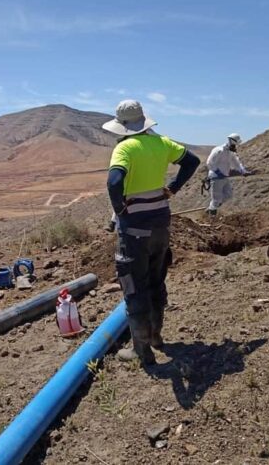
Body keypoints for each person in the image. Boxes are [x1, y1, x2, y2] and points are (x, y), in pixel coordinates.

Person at [103, 100, 200, 364]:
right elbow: (192, 161)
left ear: (122, 126)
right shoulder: (163, 143)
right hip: (161, 224)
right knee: (156, 281)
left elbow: (114, 182)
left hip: (134, 229)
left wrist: (120, 208)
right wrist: (174, 187)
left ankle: (141, 350)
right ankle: (156, 337)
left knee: (134, 287)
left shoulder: (125, 148)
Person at [205, 133, 251, 216]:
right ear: (231, 141)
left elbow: (236, 162)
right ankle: (211, 217)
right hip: (216, 177)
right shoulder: (219, 150)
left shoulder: (230, 152)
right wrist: (217, 172)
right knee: (216, 199)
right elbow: (209, 163)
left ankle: (211, 207)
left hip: (225, 176)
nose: (236, 146)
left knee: (228, 195)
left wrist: (243, 171)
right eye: (236, 143)